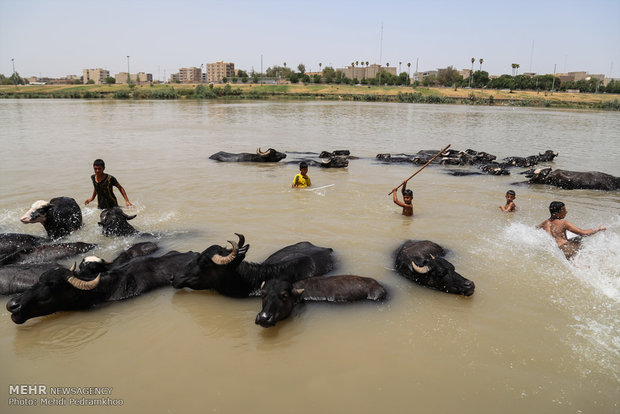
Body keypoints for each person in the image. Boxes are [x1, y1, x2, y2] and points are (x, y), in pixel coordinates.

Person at [536, 201, 606, 259]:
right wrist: (599, 229)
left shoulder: (545, 223)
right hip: (566, 249)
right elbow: (583, 233)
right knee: (581, 239)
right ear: (556, 214)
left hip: (555, 249)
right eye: (564, 210)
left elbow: (535, 229)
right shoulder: (564, 223)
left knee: (576, 239)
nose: (566, 212)